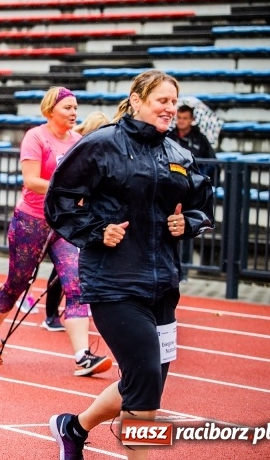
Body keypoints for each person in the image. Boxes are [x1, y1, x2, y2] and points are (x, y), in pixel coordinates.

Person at [45, 70, 214, 460]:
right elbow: (60, 200)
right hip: (114, 282)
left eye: (175, 101)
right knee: (146, 384)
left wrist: (187, 222)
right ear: (137, 100)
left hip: (163, 285)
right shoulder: (102, 145)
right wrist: (96, 230)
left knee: (145, 381)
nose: (171, 108)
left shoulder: (178, 154)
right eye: (162, 101)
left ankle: (73, 427)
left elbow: (202, 204)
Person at [0, 87, 112, 377]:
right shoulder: (36, 137)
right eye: (68, 108)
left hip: (64, 223)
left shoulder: (78, 141)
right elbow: (32, 181)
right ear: (50, 110)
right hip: (31, 220)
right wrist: (67, 190)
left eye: (76, 108)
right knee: (17, 283)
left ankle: (82, 355)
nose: (74, 113)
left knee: (76, 285)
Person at [42, 110, 112, 332]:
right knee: (59, 268)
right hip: (66, 216)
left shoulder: (105, 152)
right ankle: (51, 313)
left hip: (89, 217)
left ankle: (80, 306)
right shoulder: (79, 148)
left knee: (80, 267)